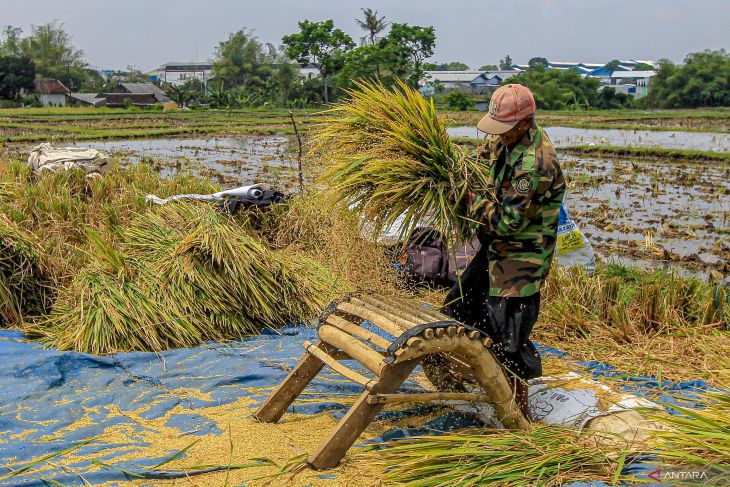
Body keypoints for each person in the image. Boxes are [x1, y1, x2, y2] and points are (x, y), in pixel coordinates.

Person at [442, 84, 566, 420]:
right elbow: (476, 162)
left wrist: (466, 199)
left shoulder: (536, 163)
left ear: (525, 123)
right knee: (459, 309)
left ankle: (519, 417)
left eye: (506, 130)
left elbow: (509, 221)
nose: (499, 137)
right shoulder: (504, 140)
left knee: (509, 340)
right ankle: (475, 384)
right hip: (495, 249)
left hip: (521, 260)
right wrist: (448, 169)